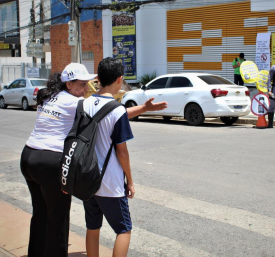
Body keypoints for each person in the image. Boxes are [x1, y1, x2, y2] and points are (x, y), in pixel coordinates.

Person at [20, 62, 167, 257]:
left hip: (28, 156)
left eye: (87, 84)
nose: (84, 90)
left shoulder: (51, 96)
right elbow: (112, 114)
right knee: (57, 217)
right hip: (51, 162)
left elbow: (108, 113)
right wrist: (143, 108)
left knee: (40, 212)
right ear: (69, 84)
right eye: (81, 85)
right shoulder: (76, 103)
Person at [82, 57, 135, 256]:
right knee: (123, 230)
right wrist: (130, 180)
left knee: (93, 227)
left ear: (98, 78)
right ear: (119, 79)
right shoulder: (118, 110)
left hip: (87, 179)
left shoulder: (84, 104)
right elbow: (122, 152)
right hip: (110, 182)